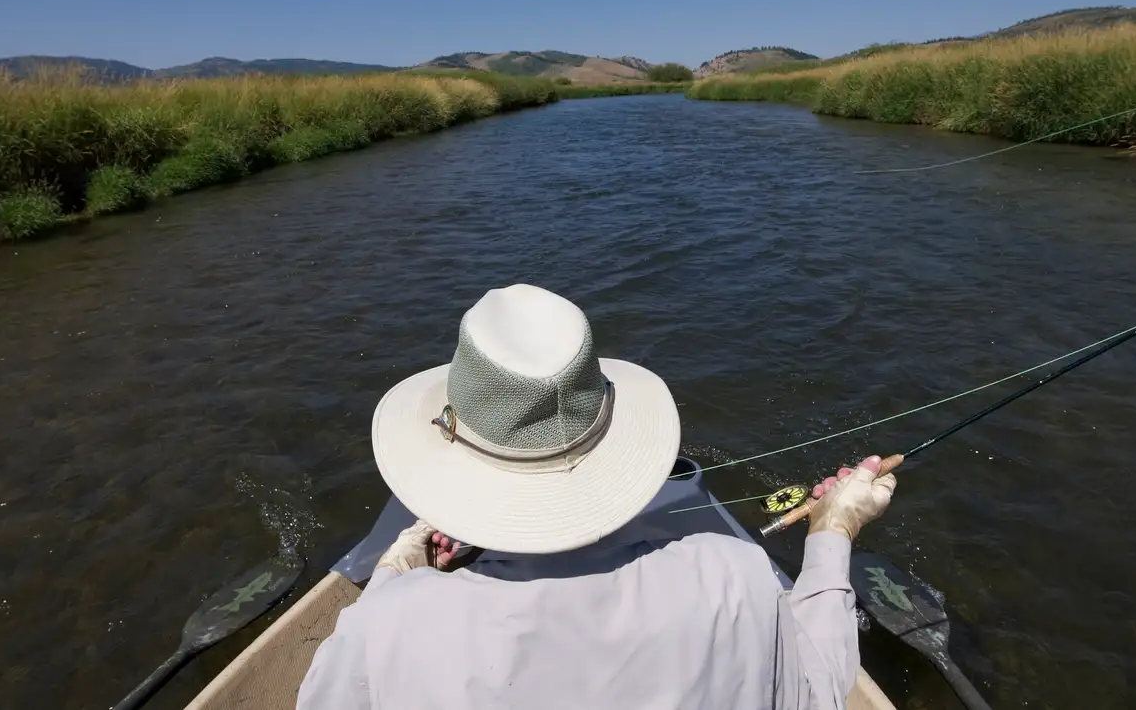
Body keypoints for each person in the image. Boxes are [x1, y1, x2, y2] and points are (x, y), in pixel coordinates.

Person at [297, 283, 898, 710]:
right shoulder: (735, 576)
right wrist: (832, 531)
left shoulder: (384, 629)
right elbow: (817, 690)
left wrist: (394, 576)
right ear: (612, 436)